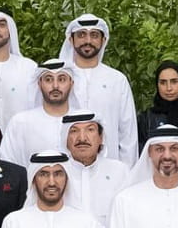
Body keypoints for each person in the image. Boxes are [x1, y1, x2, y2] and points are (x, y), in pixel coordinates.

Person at [58, 14, 138, 164]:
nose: (88, 41)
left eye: (94, 35)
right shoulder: (60, 80)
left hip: (109, 168)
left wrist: (126, 173)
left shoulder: (117, 80)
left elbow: (128, 134)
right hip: (67, 168)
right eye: (81, 35)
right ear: (71, 39)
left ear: (103, 40)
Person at [3, 60, 76, 162]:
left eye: (62, 79)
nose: (55, 86)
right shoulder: (20, 122)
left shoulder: (82, 122)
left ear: (71, 83)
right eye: (48, 80)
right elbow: (8, 163)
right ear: (39, 83)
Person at [62, 113, 130, 222]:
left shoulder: (119, 171)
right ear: (65, 140)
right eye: (74, 131)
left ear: (101, 138)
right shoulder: (57, 174)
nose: (82, 138)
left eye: (90, 130)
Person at [137, 61, 178, 148]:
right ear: (157, 85)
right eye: (163, 83)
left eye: (174, 82)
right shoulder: (146, 119)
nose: (169, 88)